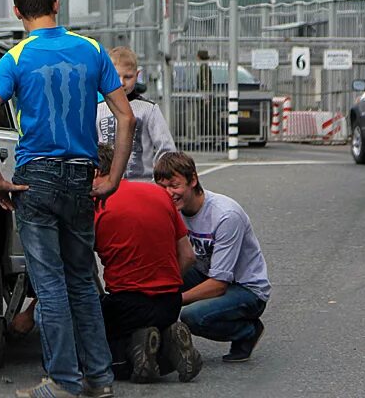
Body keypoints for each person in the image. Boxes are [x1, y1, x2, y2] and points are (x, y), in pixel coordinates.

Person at [0, 0, 135, 398]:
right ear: (57, 4)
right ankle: (100, 380)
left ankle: (62, 382)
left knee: (50, 285)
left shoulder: (15, 57)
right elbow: (126, 117)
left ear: (17, 12)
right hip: (82, 176)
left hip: (36, 179)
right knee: (82, 279)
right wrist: (113, 177)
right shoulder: (93, 50)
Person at [92, 144, 202, 384]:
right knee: (151, 322)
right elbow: (188, 256)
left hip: (126, 304)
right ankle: (168, 338)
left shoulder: (95, 205)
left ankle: (135, 351)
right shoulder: (160, 195)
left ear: (94, 173)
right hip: (170, 302)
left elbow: (77, 268)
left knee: (99, 348)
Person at [153, 151, 271, 362]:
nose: (168, 193)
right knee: (157, 282)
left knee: (192, 317)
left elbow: (218, 284)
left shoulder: (225, 215)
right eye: (162, 187)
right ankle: (158, 344)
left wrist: (173, 300)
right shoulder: (170, 209)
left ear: (193, 180)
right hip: (204, 273)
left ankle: (247, 331)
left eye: (174, 185)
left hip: (245, 288)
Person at [96, 46, 175, 179]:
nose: (121, 82)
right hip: (107, 184)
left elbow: (166, 149)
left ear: (137, 75)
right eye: (116, 76)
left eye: (128, 77)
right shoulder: (98, 109)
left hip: (142, 182)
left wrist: (160, 180)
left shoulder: (149, 109)